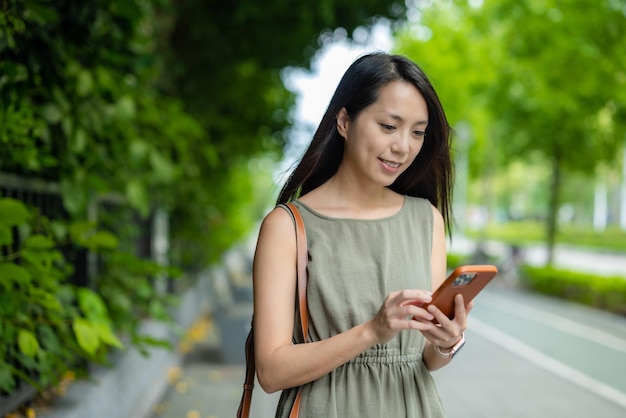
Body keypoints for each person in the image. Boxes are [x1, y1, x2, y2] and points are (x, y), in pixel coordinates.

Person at [252, 52, 471, 417]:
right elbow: (271, 372)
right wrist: (371, 331)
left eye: (418, 132)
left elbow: (424, 360)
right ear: (344, 121)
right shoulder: (287, 226)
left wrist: (447, 342)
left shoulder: (426, 219)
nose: (403, 146)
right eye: (389, 126)